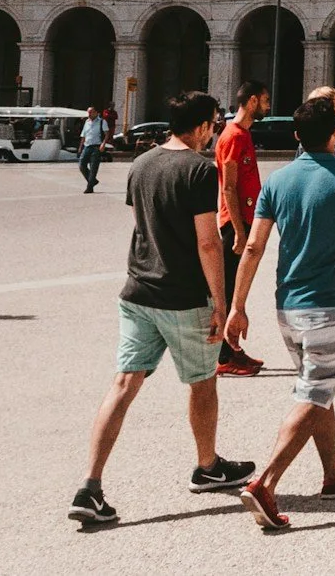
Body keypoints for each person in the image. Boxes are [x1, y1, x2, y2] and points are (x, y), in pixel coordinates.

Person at [68, 92, 255, 525]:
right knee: (203, 383)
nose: (214, 131)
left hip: (137, 292)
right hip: (184, 297)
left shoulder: (142, 163)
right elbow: (208, 241)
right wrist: (221, 302)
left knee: (123, 385)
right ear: (202, 126)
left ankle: (90, 486)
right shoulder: (198, 169)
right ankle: (208, 467)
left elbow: (144, 224)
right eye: (213, 123)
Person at [225, 95, 335, 531]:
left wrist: (238, 307)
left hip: (286, 307)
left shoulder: (277, 181)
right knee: (314, 394)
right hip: (329, 305)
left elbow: (252, 246)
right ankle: (265, 484)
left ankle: (332, 475)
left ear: (296, 136)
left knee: (317, 385)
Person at [212, 81, 268, 377]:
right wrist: (239, 232)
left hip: (243, 221)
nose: (269, 105)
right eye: (266, 100)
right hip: (235, 224)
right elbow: (229, 187)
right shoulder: (232, 136)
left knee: (234, 290)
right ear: (253, 101)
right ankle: (224, 356)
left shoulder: (242, 134)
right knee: (229, 291)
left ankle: (230, 351)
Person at [80, 105, 109, 193]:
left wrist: (103, 144)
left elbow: (107, 134)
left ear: (96, 113)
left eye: (91, 112)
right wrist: (80, 147)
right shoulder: (87, 122)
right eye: (88, 112)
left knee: (93, 167)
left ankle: (89, 187)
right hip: (87, 146)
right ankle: (93, 181)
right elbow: (83, 135)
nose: (89, 114)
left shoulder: (102, 122)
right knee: (81, 165)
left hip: (96, 147)